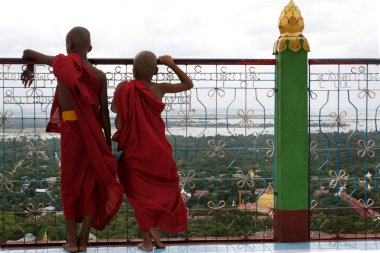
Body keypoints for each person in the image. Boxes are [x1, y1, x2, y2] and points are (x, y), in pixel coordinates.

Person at [21, 26, 124, 252]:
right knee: (90, 187)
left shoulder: (61, 63)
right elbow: (105, 112)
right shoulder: (100, 75)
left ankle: (71, 241)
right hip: (94, 135)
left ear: (68, 45)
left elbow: (28, 50)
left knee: (69, 185)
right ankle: (84, 240)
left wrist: (29, 67)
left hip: (72, 133)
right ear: (90, 47)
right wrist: (107, 141)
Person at [111, 51, 193, 251]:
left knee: (140, 196)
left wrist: (120, 93)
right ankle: (154, 231)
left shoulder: (125, 88)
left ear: (134, 69)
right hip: (159, 151)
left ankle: (147, 240)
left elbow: (115, 113)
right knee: (158, 194)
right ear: (155, 71)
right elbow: (188, 83)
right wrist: (171, 64)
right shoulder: (160, 88)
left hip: (135, 151)